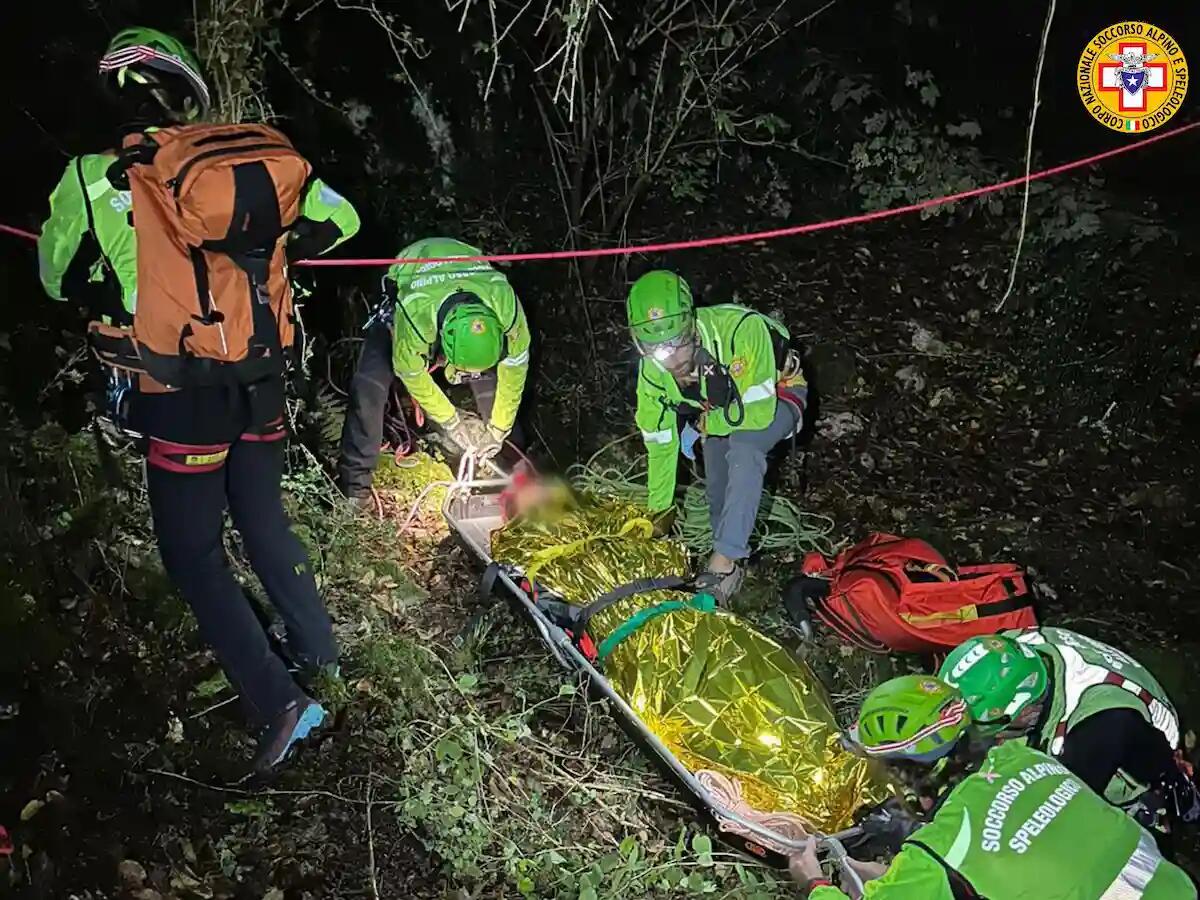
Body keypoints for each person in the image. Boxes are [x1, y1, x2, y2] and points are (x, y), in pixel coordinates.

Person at [37, 27, 361, 776]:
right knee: (264, 517)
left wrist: (101, 279)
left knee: (191, 554)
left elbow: (55, 277)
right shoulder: (253, 157)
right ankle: (321, 657)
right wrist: (277, 252)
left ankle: (281, 701)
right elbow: (341, 222)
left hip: (182, 391)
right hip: (264, 374)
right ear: (191, 91)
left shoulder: (93, 176)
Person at [788, 675, 1197, 899]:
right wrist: (896, 878)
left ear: (903, 772)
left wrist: (813, 884)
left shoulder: (938, 852)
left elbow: (955, 858)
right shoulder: (1030, 760)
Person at [626, 270, 806, 601]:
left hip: (780, 393)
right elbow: (660, 445)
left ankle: (724, 560)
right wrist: (658, 515)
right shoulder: (652, 373)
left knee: (743, 447)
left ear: (692, 323)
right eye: (656, 350)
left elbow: (758, 413)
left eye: (679, 342)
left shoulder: (740, 331)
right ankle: (733, 550)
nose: (674, 360)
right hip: (719, 408)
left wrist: (706, 426)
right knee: (715, 466)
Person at [938, 629, 1200, 829]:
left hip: (1139, 739)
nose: (995, 736)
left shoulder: (1093, 733)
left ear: (1026, 709)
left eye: (997, 729)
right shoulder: (1012, 647)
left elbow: (1057, 817)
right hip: (1119, 708)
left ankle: (1174, 797)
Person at [337, 237, 531, 503]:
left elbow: (515, 368)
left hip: (466, 272)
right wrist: (452, 422)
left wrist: (498, 430)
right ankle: (355, 487)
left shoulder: (505, 305)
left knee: (493, 385)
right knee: (370, 384)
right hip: (410, 280)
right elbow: (412, 374)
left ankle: (510, 470)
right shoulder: (415, 314)